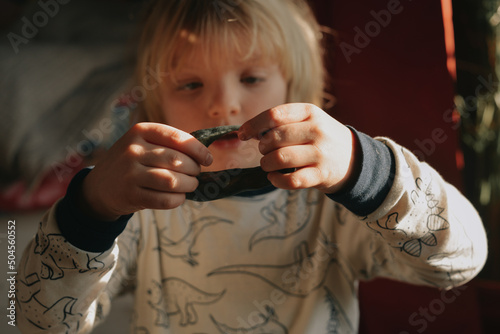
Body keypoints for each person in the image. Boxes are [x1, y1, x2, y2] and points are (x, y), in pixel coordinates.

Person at [15, 0, 487, 333]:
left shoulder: (335, 207)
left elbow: (462, 262)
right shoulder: (138, 214)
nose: (224, 106)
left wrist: (367, 171)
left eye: (252, 77)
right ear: (156, 105)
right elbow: (39, 320)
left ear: (295, 89)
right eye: (191, 84)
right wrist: (93, 208)